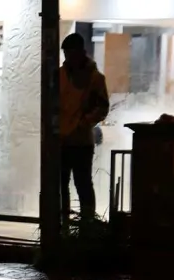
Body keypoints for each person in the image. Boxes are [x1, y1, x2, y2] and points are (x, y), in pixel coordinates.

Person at [59, 33, 110, 223]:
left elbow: (102, 107)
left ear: (81, 53)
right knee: (61, 186)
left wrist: (85, 122)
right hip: (61, 140)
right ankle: (62, 224)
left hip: (81, 141)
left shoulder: (95, 78)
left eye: (71, 54)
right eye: (66, 54)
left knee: (83, 185)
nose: (68, 58)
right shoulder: (60, 75)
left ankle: (86, 226)